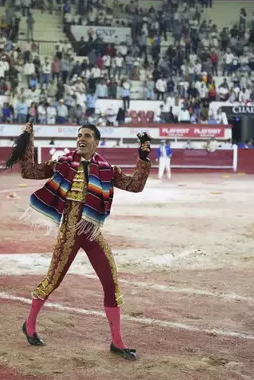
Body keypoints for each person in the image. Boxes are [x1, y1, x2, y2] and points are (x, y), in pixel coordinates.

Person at [19, 122, 151, 360]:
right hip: (69, 233)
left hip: (91, 233)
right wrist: (28, 139)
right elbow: (28, 171)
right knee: (52, 281)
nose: (81, 139)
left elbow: (136, 185)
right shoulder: (62, 163)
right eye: (79, 135)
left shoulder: (107, 169)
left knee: (111, 283)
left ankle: (117, 342)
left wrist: (142, 158)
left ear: (97, 142)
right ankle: (29, 325)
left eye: (87, 136)